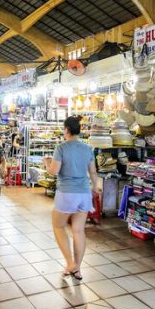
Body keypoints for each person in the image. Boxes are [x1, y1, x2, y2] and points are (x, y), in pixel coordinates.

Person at [43, 116, 99, 281]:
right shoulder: (87, 149)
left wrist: (47, 162)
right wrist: (95, 187)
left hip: (67, 193)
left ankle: (70, 263)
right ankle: (78, 268)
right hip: (84, 193)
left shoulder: (61, 148)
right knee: (78, 230)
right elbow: (93, 172)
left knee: (58, 226)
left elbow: (53, 171)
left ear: (66, 129)